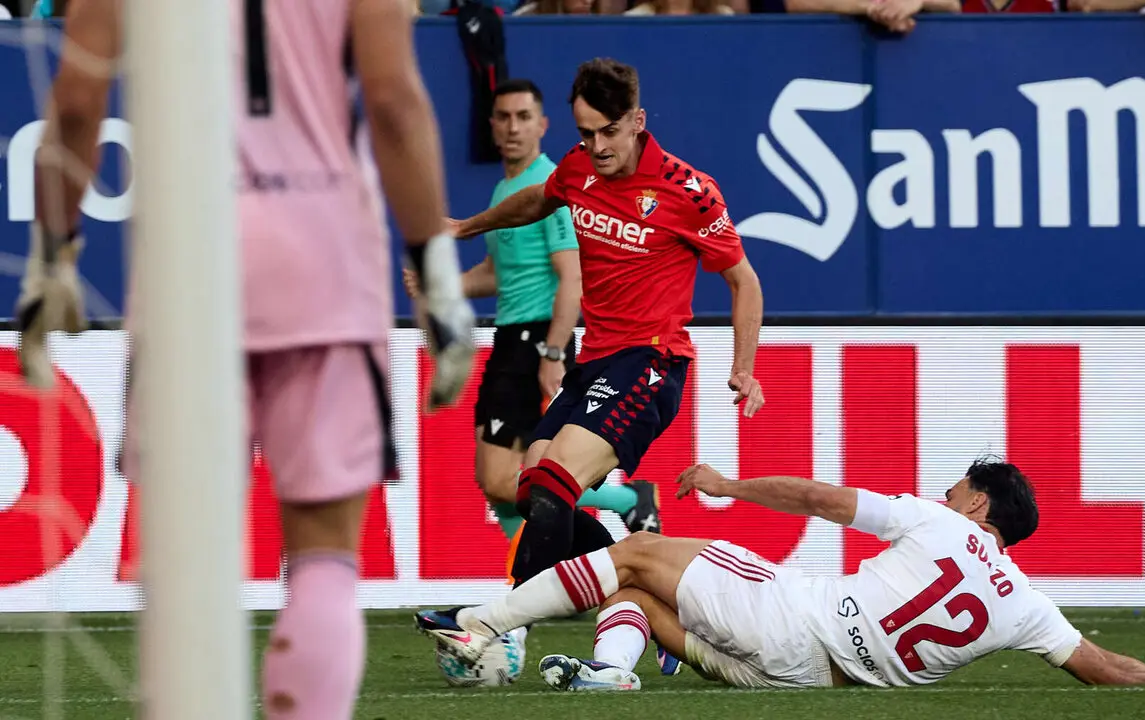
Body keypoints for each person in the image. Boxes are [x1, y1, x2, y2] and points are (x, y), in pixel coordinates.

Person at [15, 1, 474, 718]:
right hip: (323, 267)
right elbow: (393, 99)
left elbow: (76, 100)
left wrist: (53, 252)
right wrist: (438, 277)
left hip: (183, 272)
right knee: (324, 554)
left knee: (187, 562)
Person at [418, 459, 1145, 691]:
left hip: (792, 618)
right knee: (634, 590)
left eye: (960, 485)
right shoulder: (1027, 607)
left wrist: (732, 487)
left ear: (979, 505)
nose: (945, 490)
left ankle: (485, 623)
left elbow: (818, 498)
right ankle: (608, 676)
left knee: (636, 551)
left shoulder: (941, 519)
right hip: (802, 683)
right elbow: (1108, 671)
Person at [421, 58, 764, 606]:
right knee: (534, 488)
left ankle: (503, 626)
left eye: (609, 131)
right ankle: (644, 603)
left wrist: (743, 366)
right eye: (586, 133)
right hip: (596, 362)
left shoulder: (690, 191)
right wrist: (466, 225)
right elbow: (540, 197)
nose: (598, 146)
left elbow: (744, 281)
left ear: (637, 120)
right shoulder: (578, 168)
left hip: (652, 362)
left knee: (555, 480)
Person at [402, 78, 662, 560]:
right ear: (492, 127)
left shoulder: (551, 185)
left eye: (523, 117)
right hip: (511, 337)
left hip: (536, 338)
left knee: (503, 476)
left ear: (543, 126)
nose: (512, 128)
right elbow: (501, 274)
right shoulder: (507, 188)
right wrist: (444, 285)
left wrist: (553, 350)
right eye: (503, 117)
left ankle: (624, 502)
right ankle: (547, 577)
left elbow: (572, 274)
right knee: (497, 480)